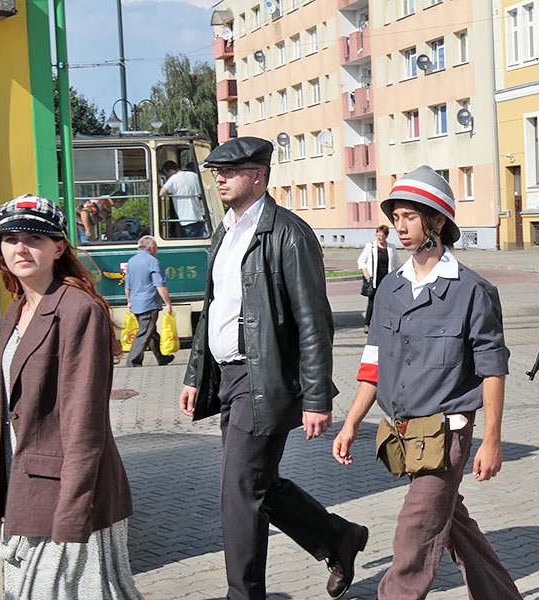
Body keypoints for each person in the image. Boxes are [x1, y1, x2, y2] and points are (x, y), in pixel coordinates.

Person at [178, 137, 367, 600]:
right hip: (226, 375)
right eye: (216, 170)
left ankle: (243, 595)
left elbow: (313, 321)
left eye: (231, 170)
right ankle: (336, 537)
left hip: (264, 379)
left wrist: (316, 398)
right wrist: (193, 373)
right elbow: (215, 308)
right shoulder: (224, 232)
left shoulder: (288, 233)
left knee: (238, 492)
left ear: (259, 175)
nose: (219, 177)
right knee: (256, 483)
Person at [333, 166, 522, 600]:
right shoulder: (390, 289)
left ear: (436, 221)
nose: (399, 226)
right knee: (453, 524)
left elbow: (493, 370)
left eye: (409, 217)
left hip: (447, 436)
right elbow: (372, 364)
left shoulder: (473, 291)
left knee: (414, 534)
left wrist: (491, 441)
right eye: (396, 217)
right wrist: (350, 424)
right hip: (405, 436)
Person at [0, 194, 141, 599]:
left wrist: (72, 512)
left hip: (67, 494)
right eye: (10, 238)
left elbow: (83, 422)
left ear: (58, 248)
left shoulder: (77, 310)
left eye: (34, 239)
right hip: (24, 489)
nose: (21, 247)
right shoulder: (15, 312)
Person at [124, 235, 174, 367]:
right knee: (145, 332)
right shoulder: (152, 262)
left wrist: (129, 301)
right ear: (152, 248)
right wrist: (168, 303)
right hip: (149, 303)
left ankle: (161, 358)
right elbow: (159, 285)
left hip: (136, 302)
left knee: (151, 332)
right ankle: (133, 361)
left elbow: (127, 285)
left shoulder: (132, 261)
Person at [356, 224, 400, 333]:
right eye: (378, 235)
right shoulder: (370, 246)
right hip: (374, 279)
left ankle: (384, 324)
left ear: (386, 236)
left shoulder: (391, 247)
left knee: (387, 303)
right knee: (372, 302)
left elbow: (397, 264)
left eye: (382, 235)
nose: (379, 237)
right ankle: (367, 324)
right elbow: (361, 261)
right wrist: (366, 274)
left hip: (387, 279)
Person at [159, 160, 205, 237]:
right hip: (200, 216)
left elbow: (162, 193)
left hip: (186, 218)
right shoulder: (194, 175)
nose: (168, 177)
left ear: (171, 171)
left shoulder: (173, 179)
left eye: (167, 174)